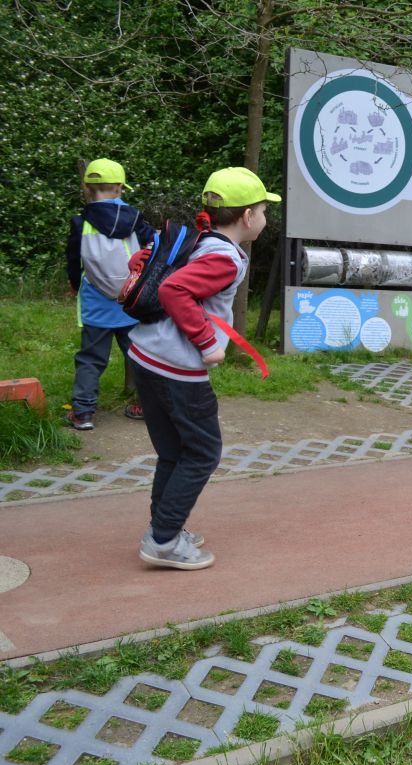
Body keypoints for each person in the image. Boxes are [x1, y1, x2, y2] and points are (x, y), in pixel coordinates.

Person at [129, 166, 280, 570]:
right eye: (264, 210)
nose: (265, 218)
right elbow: (173, 289)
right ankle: (163, 541)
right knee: (203, 452)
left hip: (146, 355)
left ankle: (164, 527)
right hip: (176, 368)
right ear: (248, 216)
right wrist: (207, 344)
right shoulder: (224, 257)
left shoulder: (202, 241)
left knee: (173, 452)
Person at [64, 158, 155, 430]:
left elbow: (73, 260)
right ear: (119, 187)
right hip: (131, 301)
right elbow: (153, 247)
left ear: (87, 188)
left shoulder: (80, 222)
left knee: (91, 359)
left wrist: (74, 284)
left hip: (96, 305)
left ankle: (83, 413)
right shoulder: (136, 219)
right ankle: (147, 406)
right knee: (139, 355)